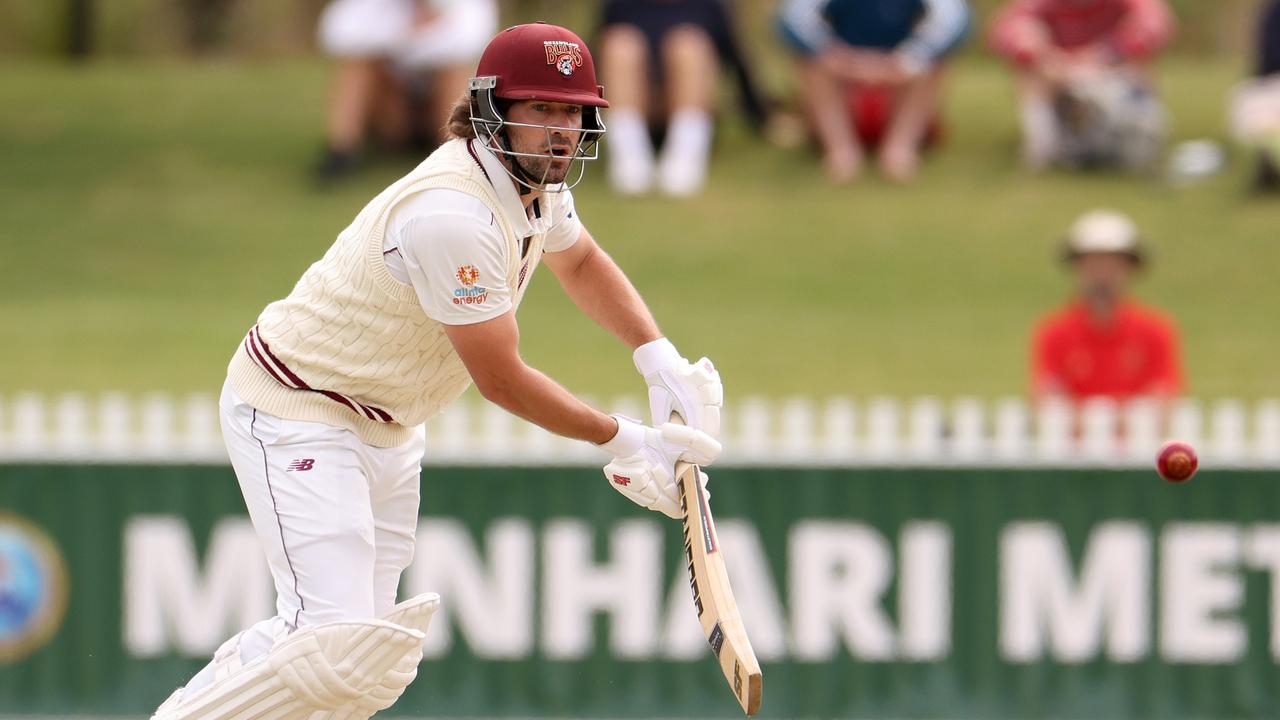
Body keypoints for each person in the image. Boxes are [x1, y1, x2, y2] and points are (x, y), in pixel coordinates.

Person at [151, 22, 725, 720]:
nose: (561, 130)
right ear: (493, 110)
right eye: (540, 109)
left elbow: (579, 262)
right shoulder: (452, 215)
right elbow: (501, 379)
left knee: (367, 671)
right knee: (331, 647)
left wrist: (656, 357)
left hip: (390, 424)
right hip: (298, 409)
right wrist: (623, 440)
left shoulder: (533, 186)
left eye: (572, 111)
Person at [776, 0, 971, 183]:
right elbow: (792, 19)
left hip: (899, 82)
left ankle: (899, 149)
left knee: (930, 64)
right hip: (843, 81)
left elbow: (955, 20)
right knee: (812, 64)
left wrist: (906, 59)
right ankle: (841, 151)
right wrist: (839, 57)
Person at [596, 0, 774, 196]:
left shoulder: (709, 5)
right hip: (640, 110)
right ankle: (629, 157)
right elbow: (591, 65)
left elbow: (737, 62)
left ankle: (685, 155)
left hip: (690, 108)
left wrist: (762, 119)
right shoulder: (619, 5)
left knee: (688, 44)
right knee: (619, 44)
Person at [313, 0, 498, 180]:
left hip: (437, 106)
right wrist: (415, 37)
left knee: (453, 72)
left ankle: (458, 152)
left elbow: (463, 45)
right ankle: (342, 151)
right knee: (357, 65)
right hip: (394, 110)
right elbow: (339, 35)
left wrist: (400, 41)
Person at [988, 0, 1176, 172]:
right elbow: (1007, 30)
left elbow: (1155, 22)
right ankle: (1046, 144)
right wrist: (1044, 56)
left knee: (1138, 66)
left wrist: (1106, 53)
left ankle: (1136, 138)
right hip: (1057, 79)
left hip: (1114, 72)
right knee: (1031, 72)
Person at [1031, 210, 1183, 406]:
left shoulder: (1155, 330)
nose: (1103, 272)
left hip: (1141, 436)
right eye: (1094, 261)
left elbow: (1164, 397)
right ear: (1078, 266)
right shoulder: (1054, 331)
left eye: (1113, 263)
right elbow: (1047, 398)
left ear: (1129, 267)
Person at [1230, 0, 1280, 193]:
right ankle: (1268, 154)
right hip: (1270, 85)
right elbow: (1267, 60)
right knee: (1248, 102)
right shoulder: (1274, 13)